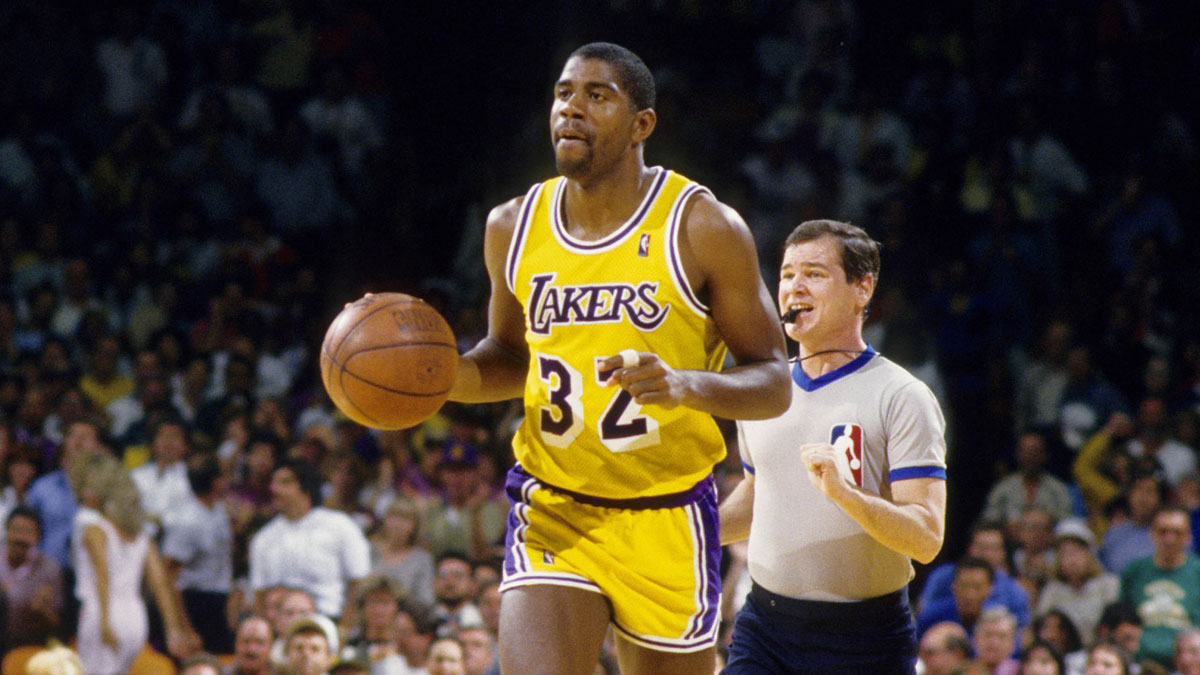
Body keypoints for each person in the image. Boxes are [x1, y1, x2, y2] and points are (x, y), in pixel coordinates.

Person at [437, 41, 791, 675]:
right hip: (555, 507)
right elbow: (511, 358)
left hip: (668, 514)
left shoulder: (703, 227)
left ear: (641, 125)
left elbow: (773, 382)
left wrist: (686, 386)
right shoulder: (512, 226)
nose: (571, 109)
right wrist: (443, 378)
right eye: (563, 94)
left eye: (597, 96)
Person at [720, 219, 946, 672]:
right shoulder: (764, 388)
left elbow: (925, 538)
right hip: (765, 627)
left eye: (814, 274)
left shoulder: (901, 395)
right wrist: (686, 533)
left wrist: (846, 495)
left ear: (863, 289)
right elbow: (758, 492)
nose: (794, 287)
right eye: (786, 275)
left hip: (865, 639)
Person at [68, 451, 200, 674]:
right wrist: (172, 628)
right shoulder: (142, 537)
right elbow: (160, 583)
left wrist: (105, 621)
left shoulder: (94, 529)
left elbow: (103, 573)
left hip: (103, 610)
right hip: (136, 617)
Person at [248, 457, 370, 622]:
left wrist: (345, 628)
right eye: (273, 482)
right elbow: (260, 595)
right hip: (280, 625)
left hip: (329, 619)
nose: (274, 489)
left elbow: (359, 582)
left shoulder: (341, 526)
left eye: (284, 482)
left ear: (306, 489)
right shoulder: (264, 537)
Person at [161, 453, 235, 653]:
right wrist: (185, 628)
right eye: (225, 476)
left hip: (220, 598)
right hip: (195, 602)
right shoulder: (187, 521)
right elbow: (168, 577)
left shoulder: (219, 508)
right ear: (216, 482)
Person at [1119, 506, 1200, 669]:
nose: (1169, 539)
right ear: (1151, 534)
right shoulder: (1133, 571)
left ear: (1188, 536)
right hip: (1139, 664)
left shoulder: (1197, 571)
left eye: (1177, 532)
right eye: (1163, 531)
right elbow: (1122, 622)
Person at [0, 505, 63, 646]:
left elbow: (59, 626)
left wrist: (43, 610)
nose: (20, 538)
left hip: (28, 646)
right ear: (7, 531)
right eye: (16, 530)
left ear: (38, 537)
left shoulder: (50, 569)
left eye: (28, 532)